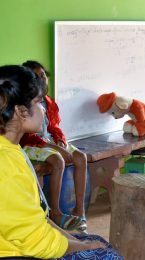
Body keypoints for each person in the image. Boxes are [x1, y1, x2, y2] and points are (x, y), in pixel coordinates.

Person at [0, 65, 122, 259]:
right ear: (19, 111)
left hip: (26, 244)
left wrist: (77, 241)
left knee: (97, 244)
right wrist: (81, 247)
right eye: (38, 102)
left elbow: (38, 219)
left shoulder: (12, 150)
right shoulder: (6, 165)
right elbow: (35, 241)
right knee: (107, 255)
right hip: (17, 254)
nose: (43, 109)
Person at [19, 61, 88, 232]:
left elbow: (54, 126)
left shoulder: (48, 102)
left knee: (80, 157)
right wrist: (55, 148)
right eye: (37, 77)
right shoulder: (24, 103)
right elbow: (27, 134)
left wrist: (59, 140)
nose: (42, 80)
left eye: (43, 76)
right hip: (31, 144)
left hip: (48, 141)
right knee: (58, 160)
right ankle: (55, 212)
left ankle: (80, 210)